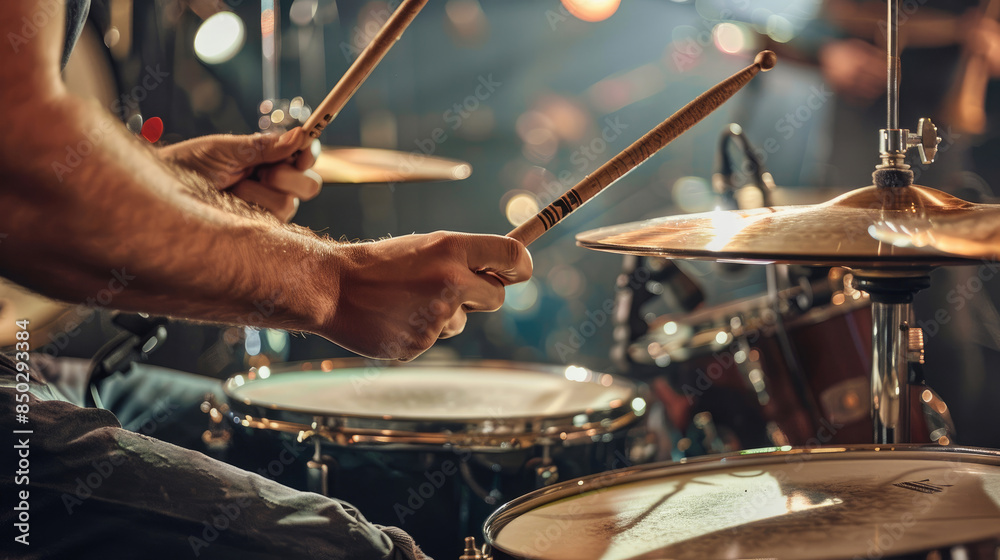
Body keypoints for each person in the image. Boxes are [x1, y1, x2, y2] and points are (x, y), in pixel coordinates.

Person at [0, 0, 532, 558]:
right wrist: (339, 286)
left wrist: (171, 193)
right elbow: (21, 175)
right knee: (353, 549)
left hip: (28, 366)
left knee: (359, 458)